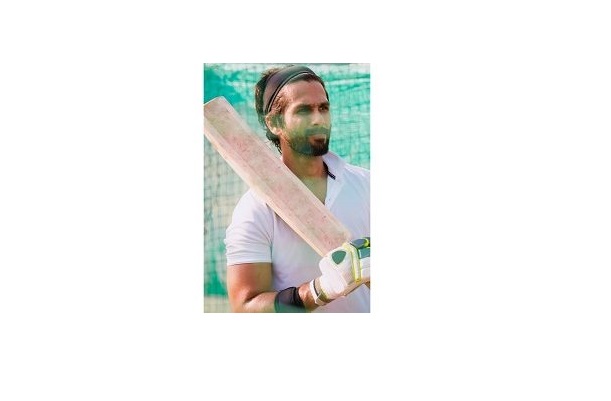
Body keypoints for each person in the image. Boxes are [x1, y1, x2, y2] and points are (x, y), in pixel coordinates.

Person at [224, 65, 370, 312]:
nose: (318, 119)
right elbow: (245, 305)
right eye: (304, 110)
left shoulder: (366, 184)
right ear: (274, 123)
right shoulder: (255, 209)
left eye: (323, 108)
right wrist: (318, 291)